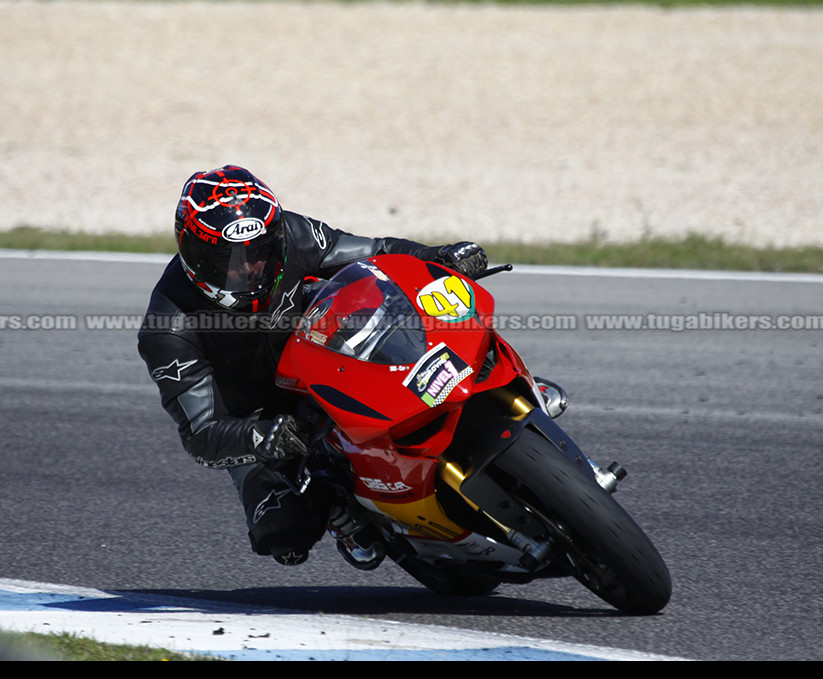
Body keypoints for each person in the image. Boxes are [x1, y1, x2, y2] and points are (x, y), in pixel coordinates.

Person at [137, 165, 563, 567]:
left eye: (260, 253)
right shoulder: (168, 327)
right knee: (283, 531)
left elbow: (377, 254)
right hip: (260, 418)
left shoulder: (291, 233)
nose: (249, 268)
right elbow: (200, 432)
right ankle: (346, 515)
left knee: (399, 301)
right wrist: (261, 435)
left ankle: (491, 380)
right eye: (229, 260)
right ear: (193, 254)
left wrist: (439, 257)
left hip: (325, 357)